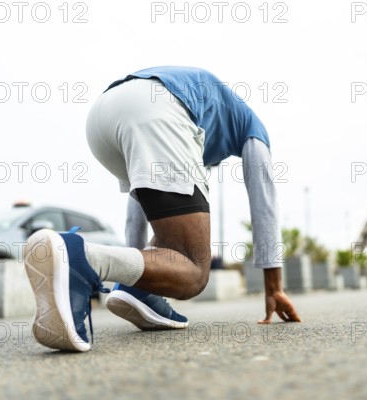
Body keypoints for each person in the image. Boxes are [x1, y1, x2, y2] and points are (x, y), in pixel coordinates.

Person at [24, 66, 301, 352]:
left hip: (103, 116)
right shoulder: (252, 128)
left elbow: (140, 204)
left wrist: (134, 277)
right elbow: (263, 200)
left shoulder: (203, 116)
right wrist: (274, 286)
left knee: (174, 230)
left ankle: (132, 288)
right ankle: (82, 257)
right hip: (158, 109)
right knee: (194, 269)